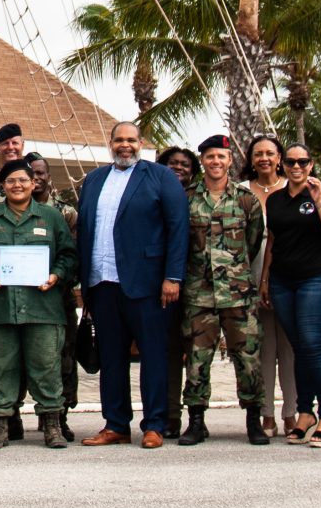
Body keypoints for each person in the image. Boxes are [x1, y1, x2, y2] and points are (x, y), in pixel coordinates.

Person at [78, 121, 190, 449]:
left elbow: (178, 228)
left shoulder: (161, 177)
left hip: (148, 285)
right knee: (111, 358)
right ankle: (116, 424)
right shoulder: (94, 179)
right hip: (102, 283)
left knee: (153, 356)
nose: (124, 145)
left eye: (131, 140)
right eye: (119, 140)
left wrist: (173, 277)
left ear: (141, 143)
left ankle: (154, 424)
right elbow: (85, 229)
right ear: (110, 143)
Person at [166, 134, 267, 447]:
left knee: (248, 359)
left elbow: (253, 241)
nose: (216, 162)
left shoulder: (246, 199)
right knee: (197, 361)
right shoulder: (186, 198)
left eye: (221, 157)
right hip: (199, 294)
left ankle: (253, 420)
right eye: (210, 157)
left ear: (230, 161)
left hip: (238, 294)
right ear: (203, 161)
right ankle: (196, 421)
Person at [0, 157, 76, 448]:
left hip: (43, 308)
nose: (17, 185)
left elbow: (69, 255)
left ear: (33, 183)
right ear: (1, 186)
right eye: (10, 181)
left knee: (47, 367)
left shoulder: (51, 217)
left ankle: (52, 425)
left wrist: (57, 275)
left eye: (23, 180)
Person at [265, 143, 321, 446]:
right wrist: (265, 279)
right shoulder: (275, 200)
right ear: (282, 165)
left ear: (311, 165)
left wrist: (319, 201)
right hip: (282, 280)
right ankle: (305, 412)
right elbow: (273, 241)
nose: (296, 167)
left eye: (303, 161)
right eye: (291, 162)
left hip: (316, 277)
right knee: (300, 347)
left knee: (312, 344)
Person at [242, 134, 297, 443]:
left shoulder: (294, 188)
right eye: (258, 153)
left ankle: (291, 412)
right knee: (263, 348)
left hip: (288, 272)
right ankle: (266, 414)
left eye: (270, 153)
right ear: (251, 160)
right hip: (250, 273)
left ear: (279, 158)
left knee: (289, 347)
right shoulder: (240, 191)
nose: (264, 158)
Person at [26, 152, 82, 438]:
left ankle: (60, 415)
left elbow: (74, 254)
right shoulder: (11, 209)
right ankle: (12, 416)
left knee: (62, 358)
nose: (35, 178)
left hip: (57, 296)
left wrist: (58, 277)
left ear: (49, 176)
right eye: (30, 173)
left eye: (40, 173)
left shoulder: (66, 212)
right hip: (20, 296)